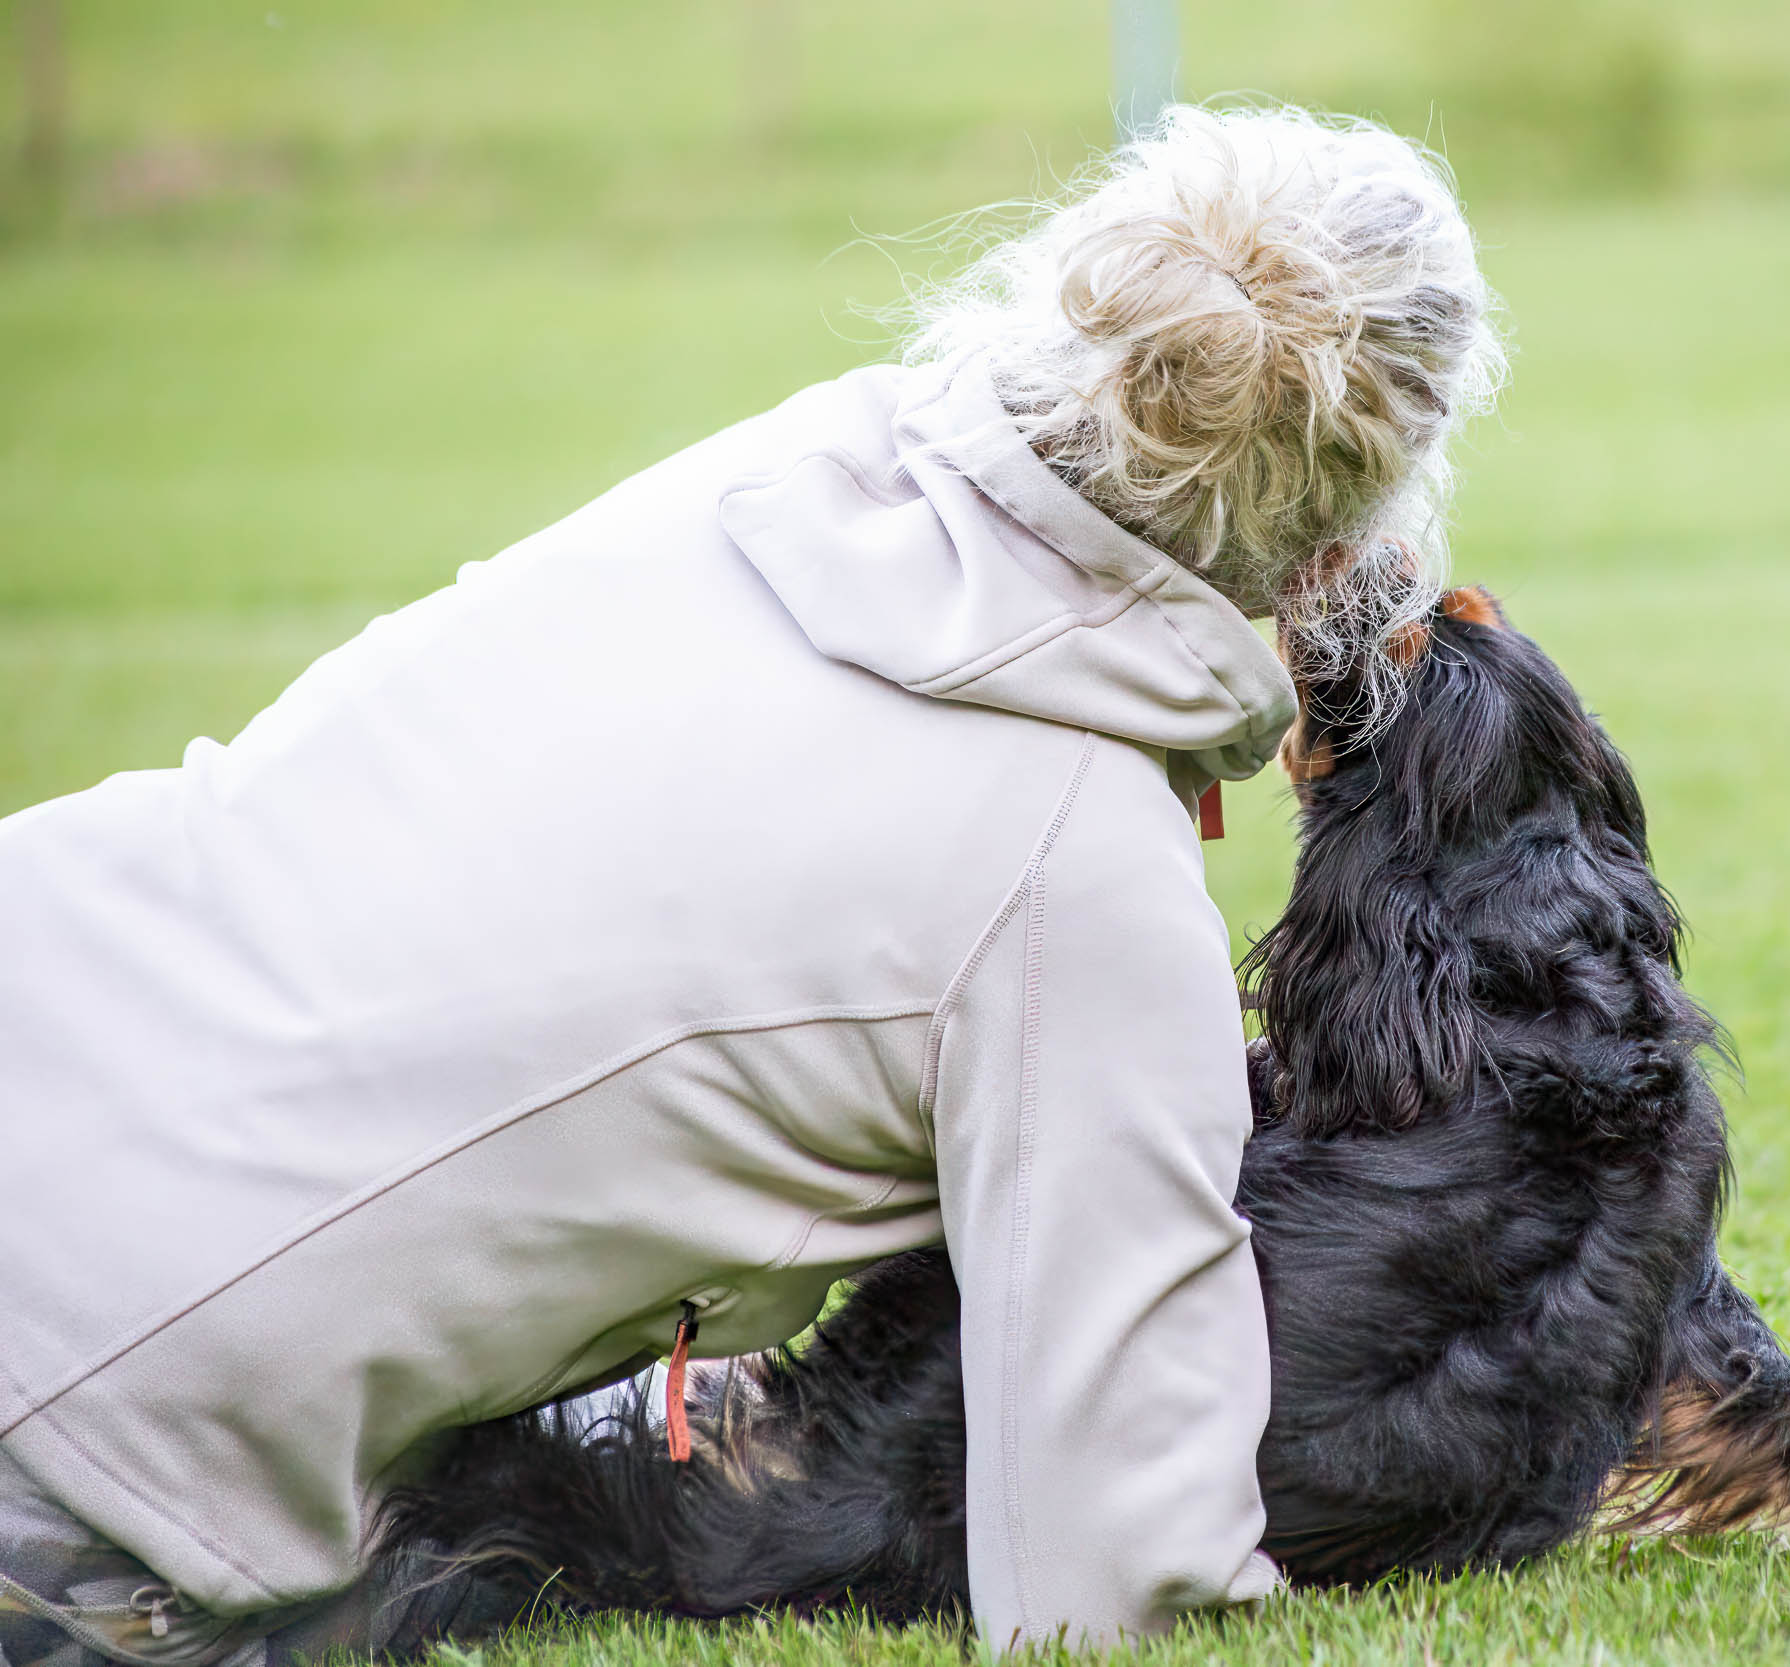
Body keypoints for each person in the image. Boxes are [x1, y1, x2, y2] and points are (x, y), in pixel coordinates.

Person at [0, 104, 1504, 1662]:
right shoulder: (1084, 883)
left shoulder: (789, 468)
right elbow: (1118, 1575)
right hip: (83, 1455)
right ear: (1347, 536)